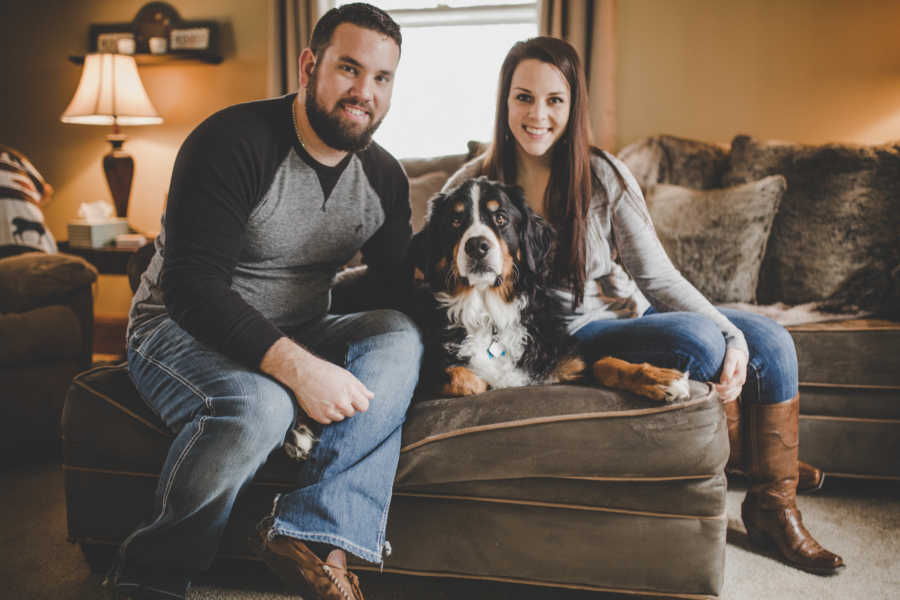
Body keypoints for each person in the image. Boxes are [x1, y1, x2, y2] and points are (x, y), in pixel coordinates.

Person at [442, 36, 843, 575]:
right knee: (697, 343)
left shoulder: (602, 174)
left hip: (633, 317)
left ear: (573, 105)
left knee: (771, 340)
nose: (538, 114)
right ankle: (754, 453)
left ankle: (774, 506)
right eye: (523, 97)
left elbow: (657, 277)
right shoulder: (473, 187)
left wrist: (734, 332)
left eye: (554, 100)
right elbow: (424, 261)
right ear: (504, 101)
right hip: (566, 336)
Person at [110, 4, 422, 599]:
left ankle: (310, 532)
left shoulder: (384, 179)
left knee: (397, 331)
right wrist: (299, 370)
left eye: (382, 78)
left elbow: (396, 290)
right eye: (349, 69)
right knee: (262, 407)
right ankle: (150, 575)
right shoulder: (232, 140)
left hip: (301, 324)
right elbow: (192, 287)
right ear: (310, 65)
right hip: (176, 329)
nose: (365, 93)